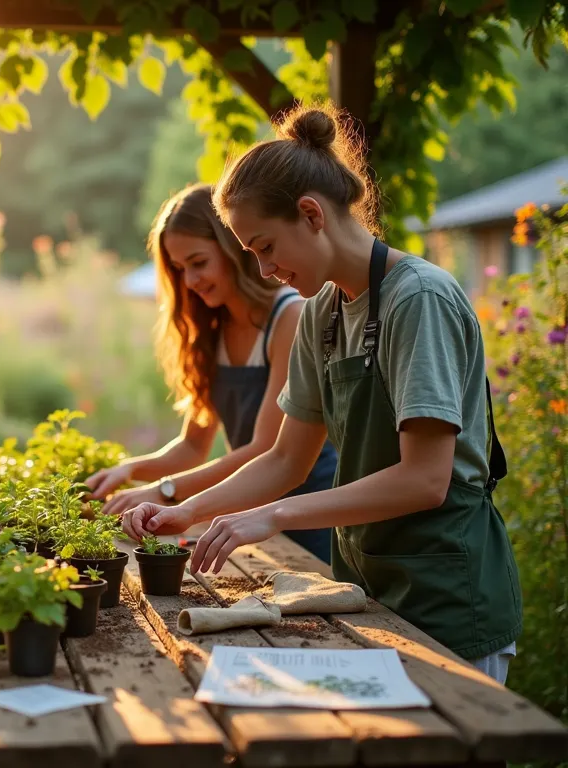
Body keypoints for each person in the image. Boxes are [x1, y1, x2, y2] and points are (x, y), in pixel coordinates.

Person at [121, 105, 522, 683]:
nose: (262, 270)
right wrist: (181, 512)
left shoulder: (419, 300)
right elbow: (286, 458)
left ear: (310, 214)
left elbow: (426, 480)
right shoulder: (321, 314)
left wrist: (270, 516)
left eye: (263, 247)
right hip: (369, 591)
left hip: (448, 596)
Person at [86, 184, 336, 562]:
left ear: (234, 248)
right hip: (251, 521)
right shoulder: (213, 328)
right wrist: (130, 469)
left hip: (308, 521)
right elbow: (193, 445)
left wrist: (165, 491)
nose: (189, 281)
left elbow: (267, 448)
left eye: (198, 262)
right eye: (179, 269)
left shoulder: (290, 316)